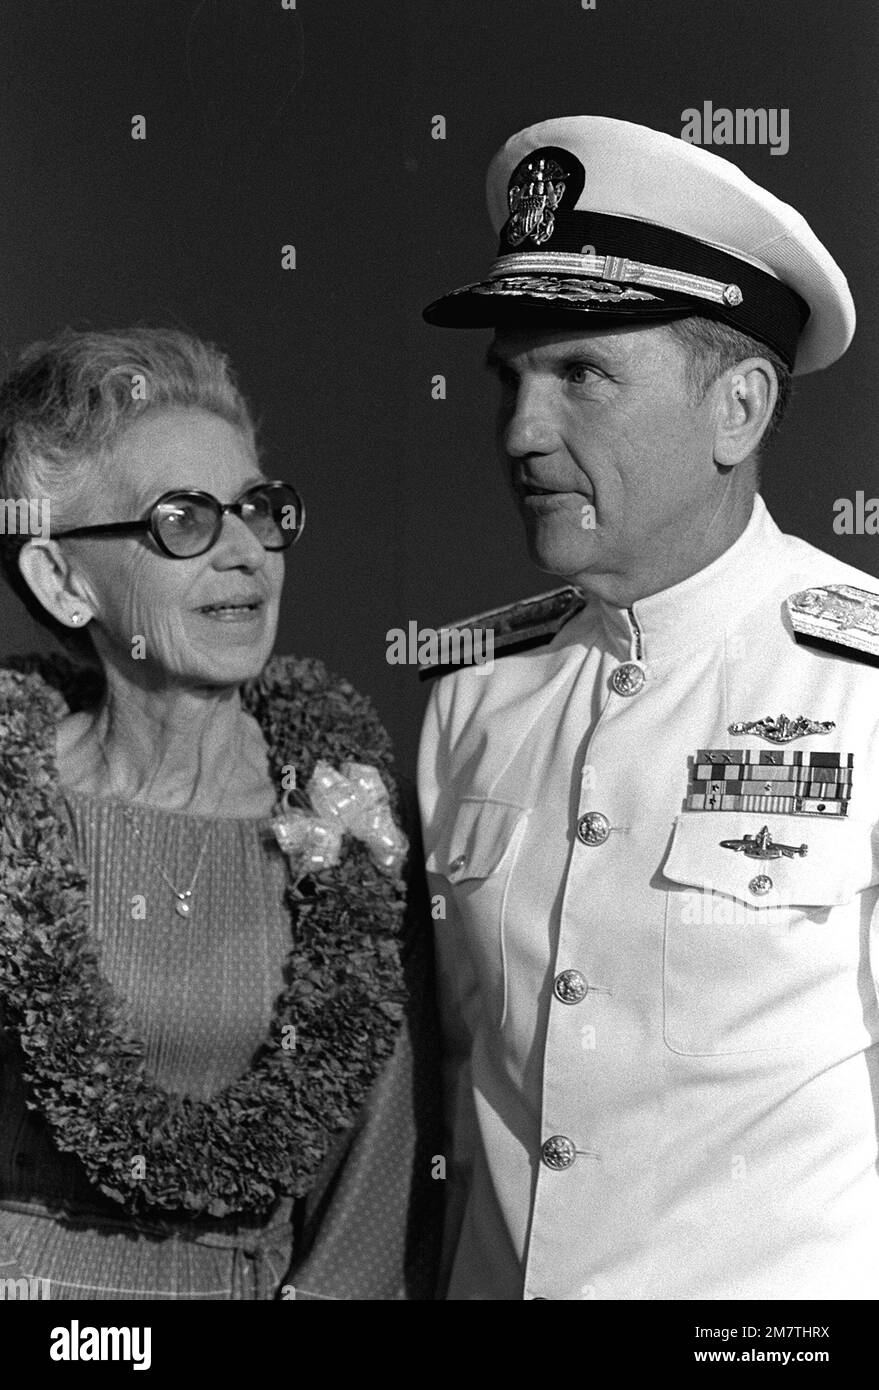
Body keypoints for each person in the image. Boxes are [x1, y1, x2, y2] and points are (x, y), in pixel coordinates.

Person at [417, 115, 879, 1300]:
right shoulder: (474, 698)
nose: (522, 431)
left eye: (582, 374)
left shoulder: (861, 688)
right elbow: (461, 1090)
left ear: (739, 406)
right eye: (511, 377)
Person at [0, 326, 441, 1300]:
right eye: (185, 521)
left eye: (257, 509)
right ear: (62, 579)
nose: (246, 553)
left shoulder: (347, 822)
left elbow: (375, 1186)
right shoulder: (11, 809)